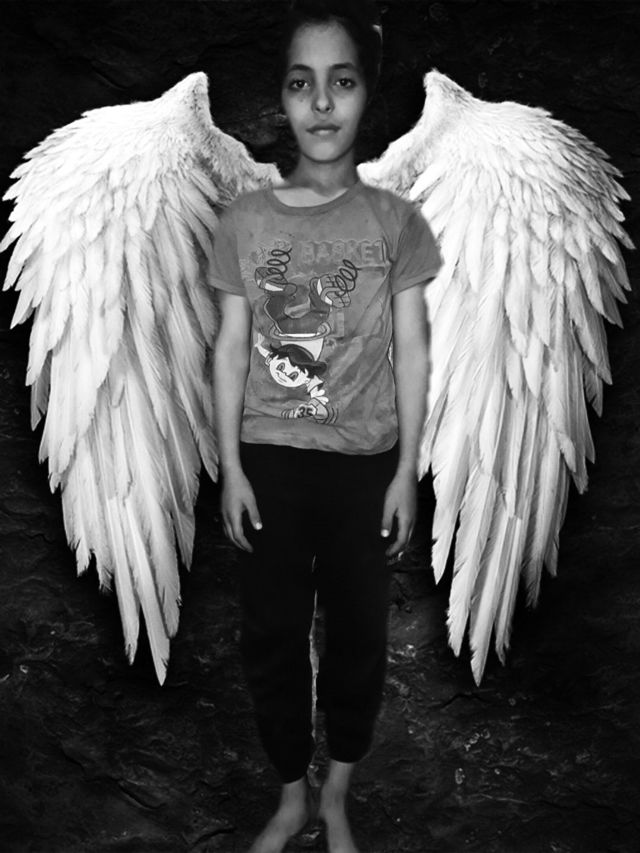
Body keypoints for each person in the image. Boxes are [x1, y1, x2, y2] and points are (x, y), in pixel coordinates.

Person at [210, 2, 442, 850]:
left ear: (365, 95)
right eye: (301, 84)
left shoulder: (396, 222)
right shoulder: (244, 221)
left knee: (358, 637)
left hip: (362, 467)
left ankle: (336, 793)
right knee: (271, 636)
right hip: (270, 462)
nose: (320, 103)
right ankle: (288, 795)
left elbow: (412, 350)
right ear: (281, 97)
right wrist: (231, 467)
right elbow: (229, 348)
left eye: (340, 82)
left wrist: (405, 469)